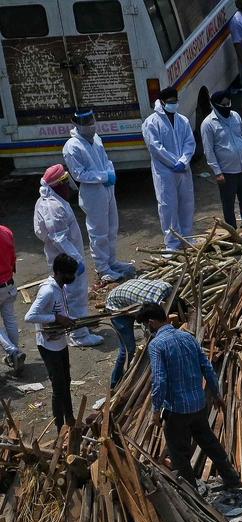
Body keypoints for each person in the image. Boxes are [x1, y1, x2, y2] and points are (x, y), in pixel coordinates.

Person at [141, 304, 242, 491]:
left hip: (176, 409)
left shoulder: (156, 345)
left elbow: (159, 380)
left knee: (179, 453)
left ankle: (191, 492)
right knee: (209, 442)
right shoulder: (188, 337)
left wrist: (156, 411)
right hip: (198, 404)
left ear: (151, 322)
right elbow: (207, 367)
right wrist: (217, 393)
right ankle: (232, 480)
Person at [32, 166, 100, 347]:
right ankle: (79, 335)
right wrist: (76, 259)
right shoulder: (52, 206)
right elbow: (59, 237)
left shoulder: (52, 201)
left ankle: (79, 328)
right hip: (66, 260)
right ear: (58, 185)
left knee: (70, 295)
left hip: (65, 257)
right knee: (74, 296)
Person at [62, 110, 132, 281]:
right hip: (92, 192)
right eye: (86, 122)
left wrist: (110, 173)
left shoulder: (96, 139)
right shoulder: (72, 146)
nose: (91, 125)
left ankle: (112, 261)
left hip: (107, 188)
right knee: (98, 231)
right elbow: (79, 174)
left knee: (111, 227)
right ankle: (102, 268)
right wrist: (102, 176)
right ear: (77, 125)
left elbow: (106, 160)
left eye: (91, 120)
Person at [23, 255, 81, 430]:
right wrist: (55, 318)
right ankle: (59, 427)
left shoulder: (60, 287)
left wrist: (68, 320)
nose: (72, 278)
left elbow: (61, 311)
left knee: (67, 380)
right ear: (58, 272)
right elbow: (29, 317)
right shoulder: (47, 291)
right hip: (49, 346)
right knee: (58, 387)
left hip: (60, 342)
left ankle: (70, 418)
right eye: (68, 274)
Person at [142, 88, 197, 252]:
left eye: (175, 101)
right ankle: (172, 243)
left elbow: (190, 143)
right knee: (168, 206)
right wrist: (174, 162)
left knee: (186, 203)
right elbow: (155, 147)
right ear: (163, 102)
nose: (174, 104)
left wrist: (183, 161)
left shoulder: (183, 120)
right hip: (164, 171)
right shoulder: (151, 122)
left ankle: (187, 238)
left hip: (183, 169)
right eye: (171, 102)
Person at [200, 91, 242, 231]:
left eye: (229, 104)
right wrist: (217, 172)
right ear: (215, 105)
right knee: (228, 204)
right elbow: (208, 151)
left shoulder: (235, 116)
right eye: (224, 105)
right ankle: (232, 232)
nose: (227, 107)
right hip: (226, 172)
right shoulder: (208, 124)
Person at [105, 277, 175, 387]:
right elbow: (149, 328)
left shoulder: (170, 289)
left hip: (131, 296)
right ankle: (116, 382)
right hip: (117, 306)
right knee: (128, 349)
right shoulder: (150, 305)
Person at [0, 224, 23, 369]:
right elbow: (13, 256)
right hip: (8, 283)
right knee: (10, 319)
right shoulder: (6, 231)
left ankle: (12, 350)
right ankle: (15, 356)